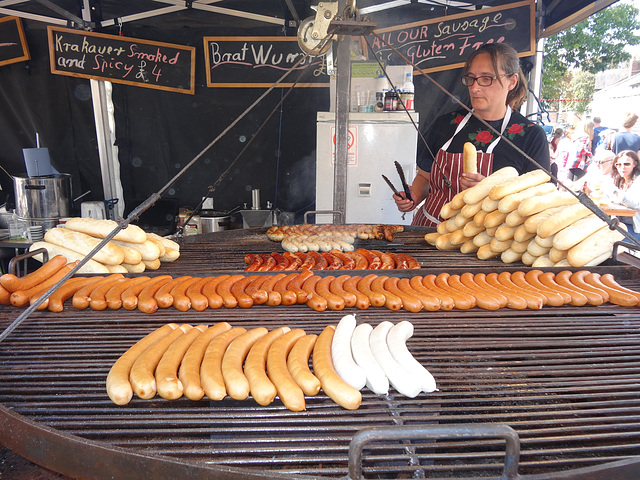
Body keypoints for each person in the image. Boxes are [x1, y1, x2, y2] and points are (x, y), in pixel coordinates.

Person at [393, 43, 550, 226]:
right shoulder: (446, 124)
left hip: (486, 242)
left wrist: (491, 192)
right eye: (471, 78)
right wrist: (414, 196)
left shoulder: (530, 136)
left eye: (486, 79)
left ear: (512, 81)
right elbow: (425, 177)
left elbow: (538, 203)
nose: (475, 87)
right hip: (428, 233)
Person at [604, 150, 640, 241]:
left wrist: (616, 192)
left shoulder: (638, 181)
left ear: (634, 164)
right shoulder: (618, 180)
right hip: (619, 224)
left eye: (627, 164)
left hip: (634, 228)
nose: (622, 167)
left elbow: (636, 204)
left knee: (608, 242)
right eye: (618, 164)